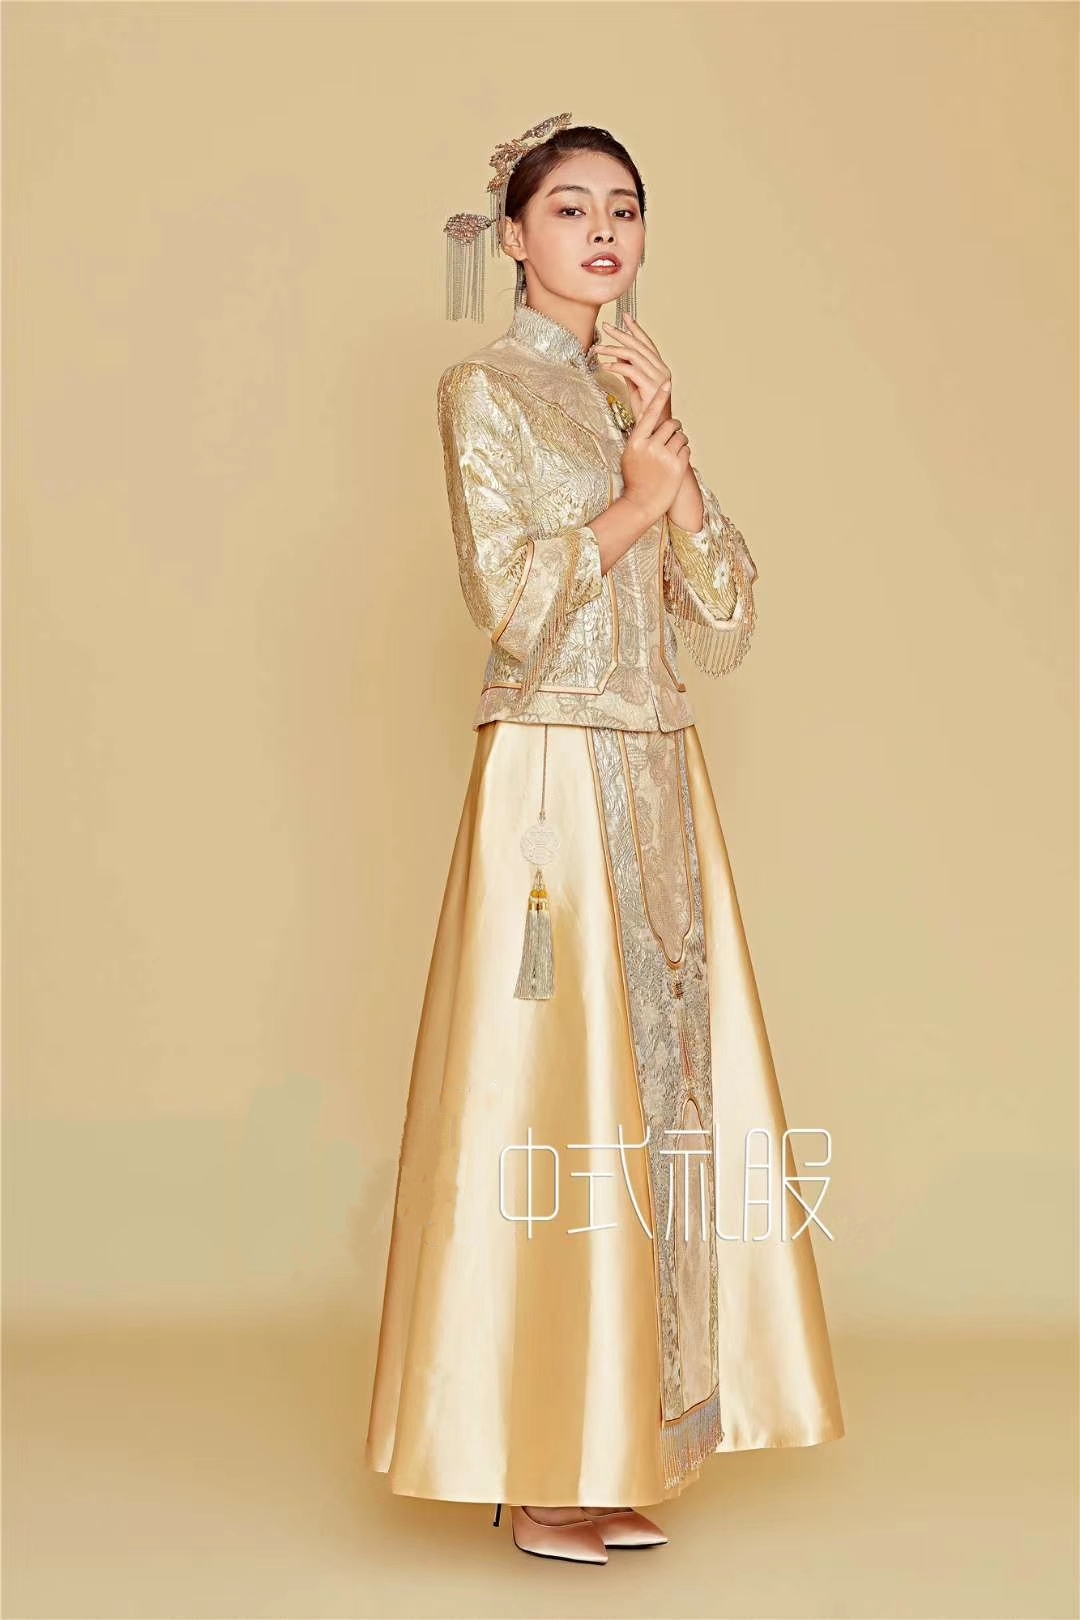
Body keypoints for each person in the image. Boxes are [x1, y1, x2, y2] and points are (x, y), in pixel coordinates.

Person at [365, 117, 845, 1565]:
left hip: (656, 771)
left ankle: (621, 1439)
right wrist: (635, 500)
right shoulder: (484, 390)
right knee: (553, 1100)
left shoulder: (632, 391)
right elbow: (511, 605)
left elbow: (729, 621)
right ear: (511, 236)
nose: (602, 232)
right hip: (552, 783)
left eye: (622, 209)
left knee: (655, 1103)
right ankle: (535, 1460)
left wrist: (672, 465)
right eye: (569, 208)